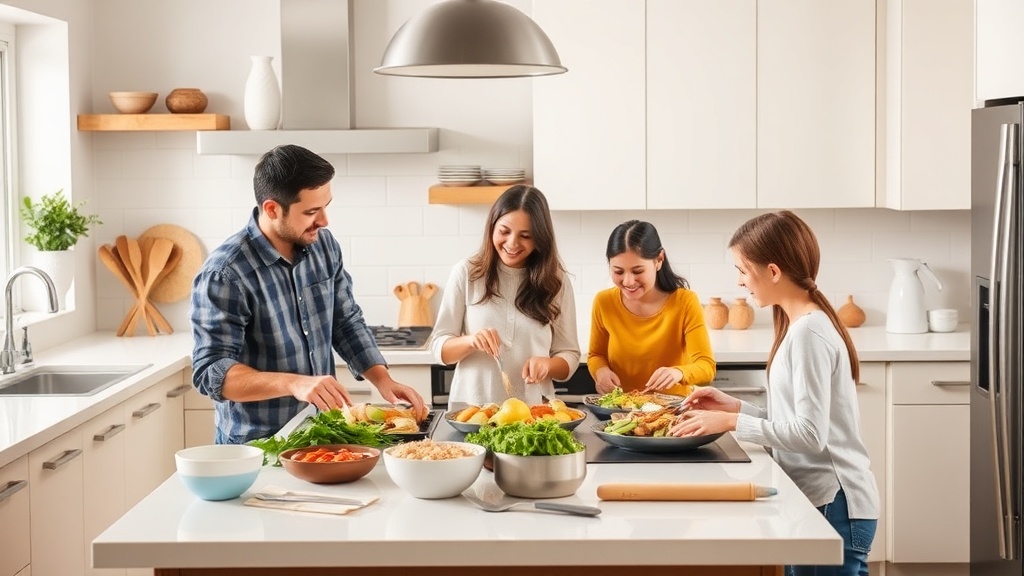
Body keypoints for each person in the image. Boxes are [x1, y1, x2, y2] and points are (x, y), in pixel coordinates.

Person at [671, 210, 879, 576]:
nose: (739, 282)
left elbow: (810, 437)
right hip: (825, 503)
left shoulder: (808, 334)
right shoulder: (800, 325)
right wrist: (736, 407)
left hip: (835, 506)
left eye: (742, 269)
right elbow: (796, 424)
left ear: (772, 271)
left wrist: (732, 421)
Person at [190, 144, 426, 445]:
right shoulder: (225, 273)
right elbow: (211, 372)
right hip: (259, 446)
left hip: (322, 435)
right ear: (272, 209)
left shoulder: (323, 246)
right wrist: (293, 383)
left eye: (326, 206)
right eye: (312, 211)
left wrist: (383, 379)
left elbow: (345, 321)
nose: (324, 221)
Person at [430, 185, 580, 408]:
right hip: (472, 412)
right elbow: (439, 347)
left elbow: (569, 354)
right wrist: (471, 341)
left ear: (540, 238)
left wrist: (548, 365)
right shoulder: (467, 273)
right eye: (504, 231)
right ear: (492, 227)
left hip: (532, 414)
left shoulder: (556, 281)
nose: (512, 243)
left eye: (525, 236)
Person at [588, 220, 715, 397]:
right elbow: (596, 355)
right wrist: (601, 372)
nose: (628, 281)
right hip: (619, 412)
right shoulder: (604, 301)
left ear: (659, 260)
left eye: (638, 271)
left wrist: (678, 372)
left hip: (672, 412)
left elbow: (706, 366)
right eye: (618, 272)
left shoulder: (685, 302)